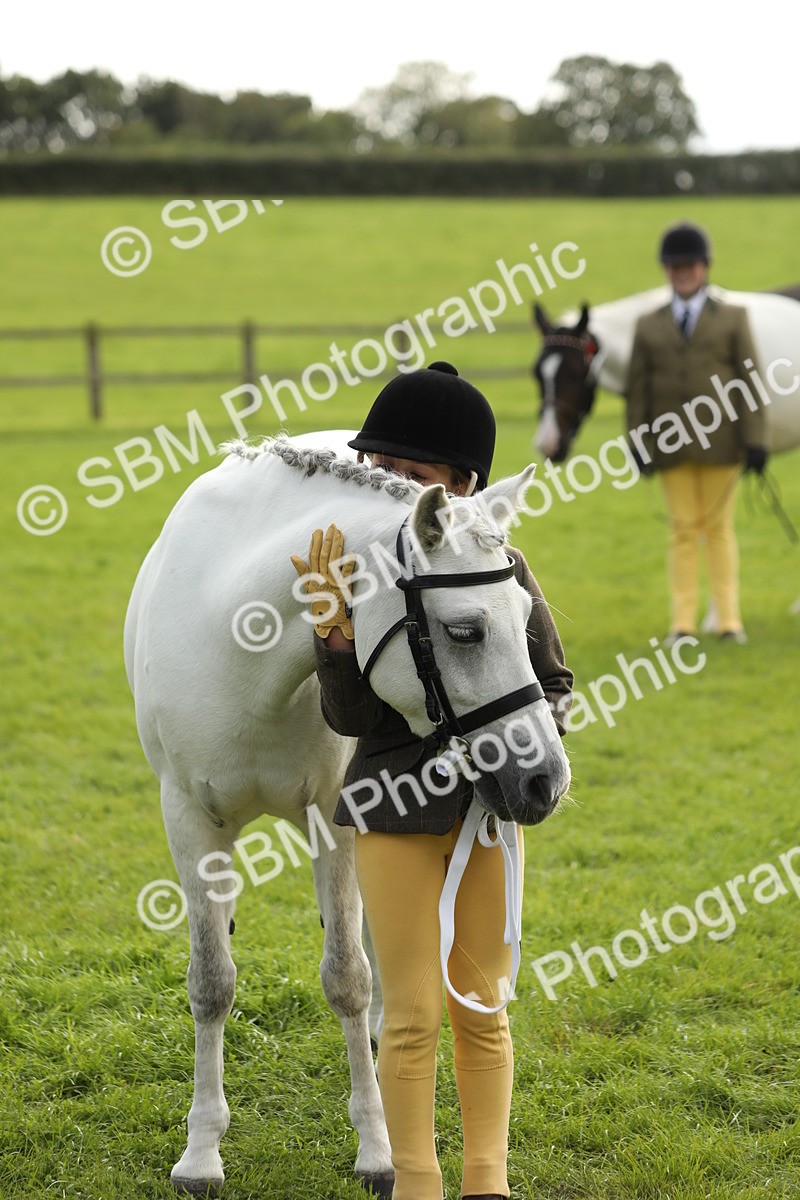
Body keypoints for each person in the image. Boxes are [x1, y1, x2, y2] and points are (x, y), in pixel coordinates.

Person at [291, 361, 572, 1200]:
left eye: (410, 476)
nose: (389, 485)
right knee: (409, 1016)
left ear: (458, 486)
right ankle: (417, 1183)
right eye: (381, 470)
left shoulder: (502, 567)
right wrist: (335, 639)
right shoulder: (362, 574)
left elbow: (551, 680)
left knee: (484, 1009)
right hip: (391, 811)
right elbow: (348, 720)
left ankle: (489, 1182)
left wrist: (528, 741)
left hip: (489, 814)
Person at [625, 221, 769, 645]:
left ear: (704, 266)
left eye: (688, 265)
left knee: (719, 530)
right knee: (683, 532)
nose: (681, 272)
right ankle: (682, 623)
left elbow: (752, 380)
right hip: (670, 447)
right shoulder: (648, 325)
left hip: (723, 444)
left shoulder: (733, 317)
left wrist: (756, 439)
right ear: (666, 270)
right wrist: (637, 441)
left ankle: (729, 620)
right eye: (674, 266)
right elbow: (638, 391)